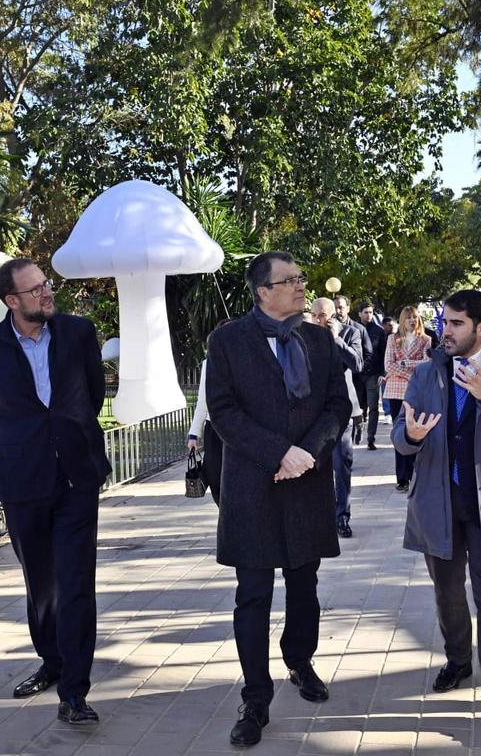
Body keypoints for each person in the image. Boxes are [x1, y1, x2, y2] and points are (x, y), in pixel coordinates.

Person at [206, 251, 352, 748]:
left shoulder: (318, 339)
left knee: (304, 586)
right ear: (262, 291)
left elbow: (339, 405)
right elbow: (223, 413)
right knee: (253, 596)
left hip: (307, 481)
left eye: (301, 278)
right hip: (253, 487)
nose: (300, 286)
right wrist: (280, 453)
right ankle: (255, 696)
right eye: (289, 281)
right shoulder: (226, 341)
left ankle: (300, 661)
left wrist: (307, 452)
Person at [0, 257, 110, 725]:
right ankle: (52, 661)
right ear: (12, 301)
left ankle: (75, 692)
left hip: (76, 478)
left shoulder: (78, 333)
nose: (46, 294)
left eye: (45, 285)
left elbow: (91, 397)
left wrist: (67, 442)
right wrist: (26, 448)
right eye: (34, 291)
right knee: (41, 584)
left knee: (76, 585)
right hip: (23, 482)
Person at [392, 289, 481, 738]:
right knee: (447, 593)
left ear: (480, 327)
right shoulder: (426, 373)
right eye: (443, 321)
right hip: (438, 505)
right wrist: (411, 437)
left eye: (455, 323)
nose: (444, 330)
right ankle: (458, 661)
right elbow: (401, 435)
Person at [310, 298, 363, 538]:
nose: (318, 320)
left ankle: (342, 517)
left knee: (342, 467)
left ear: (332, 316)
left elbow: (358, 364)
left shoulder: (351, 333)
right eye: (314, 315)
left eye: (322, 316)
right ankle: (320, 518)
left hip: (342, 412)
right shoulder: (305, 336)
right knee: (315, 467)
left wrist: (336, 340)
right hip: (313, 413)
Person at [383, 305, 431, 492]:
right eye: (409, 317)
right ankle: (401, 478)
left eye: (415, 317)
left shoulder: (425, 340)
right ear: (403, 319)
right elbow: (388, 365)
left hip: (416, 392)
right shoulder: (392, 339)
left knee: (414, 433)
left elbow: (427, 363)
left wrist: (404, 363)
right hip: (396, 391)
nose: (413, 320)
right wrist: (411, 371)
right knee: (399, 432)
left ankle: (413, 474)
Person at [334, 294, 372, 444]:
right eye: (335, 307)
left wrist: (364, 372)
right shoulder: (328, 328)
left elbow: (367, 353)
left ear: (348, 308)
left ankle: (359, 423)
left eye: (341, 307)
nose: (338, 311)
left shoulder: (357, 329)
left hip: (359, 376)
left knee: (360, 406)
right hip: (342, 379)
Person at [187, 357, 222, 504]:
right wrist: (193, 434)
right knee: (214, 476)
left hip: (239, 429)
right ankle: (225, 515)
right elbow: (203, 400)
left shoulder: (244, 357)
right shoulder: (210, 363)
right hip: (214, 429)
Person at [358, 301, 387, 450]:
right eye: (366, 312)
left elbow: (383, 353)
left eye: (370, 312)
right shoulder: (354, 328)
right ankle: (357, 433)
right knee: (358, 408)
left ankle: (371, 438)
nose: (368, 315)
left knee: (373, 407)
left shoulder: (379, 331)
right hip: (357, 374)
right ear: (360, 313)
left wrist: (382, 373)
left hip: (373, 374)